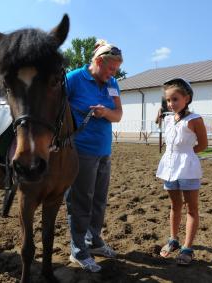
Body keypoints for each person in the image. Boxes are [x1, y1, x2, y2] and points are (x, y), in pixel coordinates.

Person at [65, 39, 123, 272]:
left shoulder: (112, 83)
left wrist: (105, 112)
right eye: (111, 68)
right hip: (80, 150)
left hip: (104, 150)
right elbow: (54, 107)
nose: (113, 74)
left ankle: (94, 241)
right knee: (80, 201)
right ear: (98, 61)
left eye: (116, 70)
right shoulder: (73, 79)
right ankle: (78, 250)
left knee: (99, 200)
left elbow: (118, 115)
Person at [156, 78, 208, 265]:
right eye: (168, 100)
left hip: (187, 168)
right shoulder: (169, 118)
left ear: (187, 98)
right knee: (174, 205)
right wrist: (161, 113)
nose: (171, 104)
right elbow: (161, 122)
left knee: (191, 208)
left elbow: (203, 144)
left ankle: (187, 248)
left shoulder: (195, 119)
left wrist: (187, 155)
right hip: (169, 167)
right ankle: (173, 239)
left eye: (175, 99)